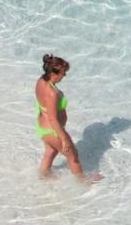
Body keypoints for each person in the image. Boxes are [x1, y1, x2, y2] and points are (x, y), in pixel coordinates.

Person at [34, 54, 100, 183]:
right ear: (54, 73)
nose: (65, 76)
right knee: (73, 156)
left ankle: (43, 176)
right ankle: (82, 182)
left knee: (50, 151)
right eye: (63, 73)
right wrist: (64, 139)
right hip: (53, 130)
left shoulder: (41, 81)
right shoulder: (52, 93)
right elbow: (53, 119)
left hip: (42, 126)